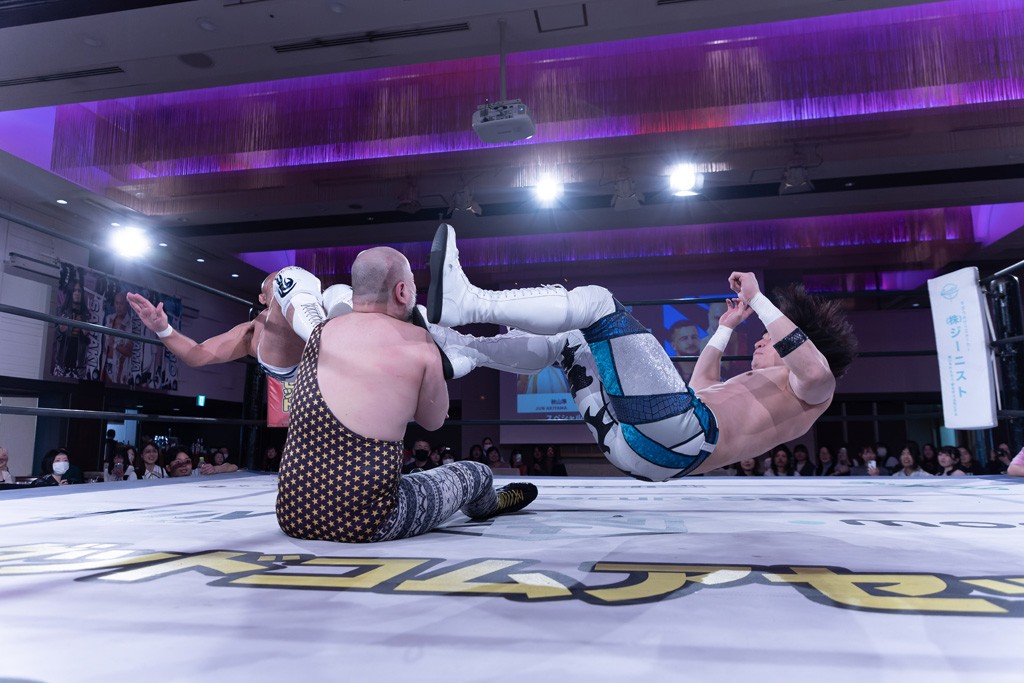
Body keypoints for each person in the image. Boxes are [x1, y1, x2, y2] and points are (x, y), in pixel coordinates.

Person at [426, 224, 857, 482]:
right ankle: (467, 352)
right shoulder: (765, 389)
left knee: (598, 303)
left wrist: (760, 301)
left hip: (677, 437)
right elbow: (700, 386)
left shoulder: (813, 389)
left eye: (767, 340)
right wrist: (725, 328)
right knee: (569, 340)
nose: (761, 341)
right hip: (644, 454)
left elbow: (812, 367)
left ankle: (472, 303)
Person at [275, 246, 537, 544]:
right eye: (413, 284)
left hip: (293, 515)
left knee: (400, 477)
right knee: (476, 473)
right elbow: (434, 421)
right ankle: (490, 503)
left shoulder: (320, 332)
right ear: (401, 291)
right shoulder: (418, 342)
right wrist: (431, 361)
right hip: (368, 521)